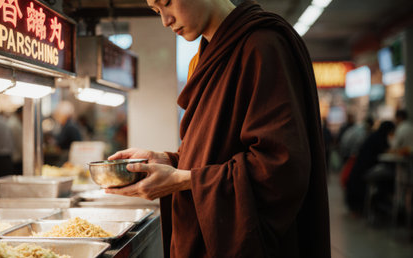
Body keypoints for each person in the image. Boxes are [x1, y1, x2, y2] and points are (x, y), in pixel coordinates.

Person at [106, 0, 330, 257]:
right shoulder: (202, 59)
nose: (165, 20)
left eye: (167, 3)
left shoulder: (264, 45)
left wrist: (181, 180)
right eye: (157, 11)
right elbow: (215, 154)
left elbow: (280, 168)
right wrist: (169, 161)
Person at [345, 121, 395, 215]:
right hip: (365, 170)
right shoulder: (379, 138)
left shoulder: (375, 136)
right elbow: (385, 151)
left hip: (361, 168)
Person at [7, 107, 23, 173]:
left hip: (13, 157)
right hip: (15, 158)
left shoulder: (13, 121)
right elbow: (20, 144)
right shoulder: (15, 124)